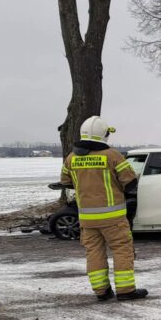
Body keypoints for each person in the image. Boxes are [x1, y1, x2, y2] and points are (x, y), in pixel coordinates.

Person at [59, 116, 147, 302]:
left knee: (94, 253)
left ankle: (102, 291)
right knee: (122, 250)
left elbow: (66, 182)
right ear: (104, 135)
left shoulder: (71, 158)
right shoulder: (112, 156)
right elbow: (130, 183)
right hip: (113, 218)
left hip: (87, 220)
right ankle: (125, 290)